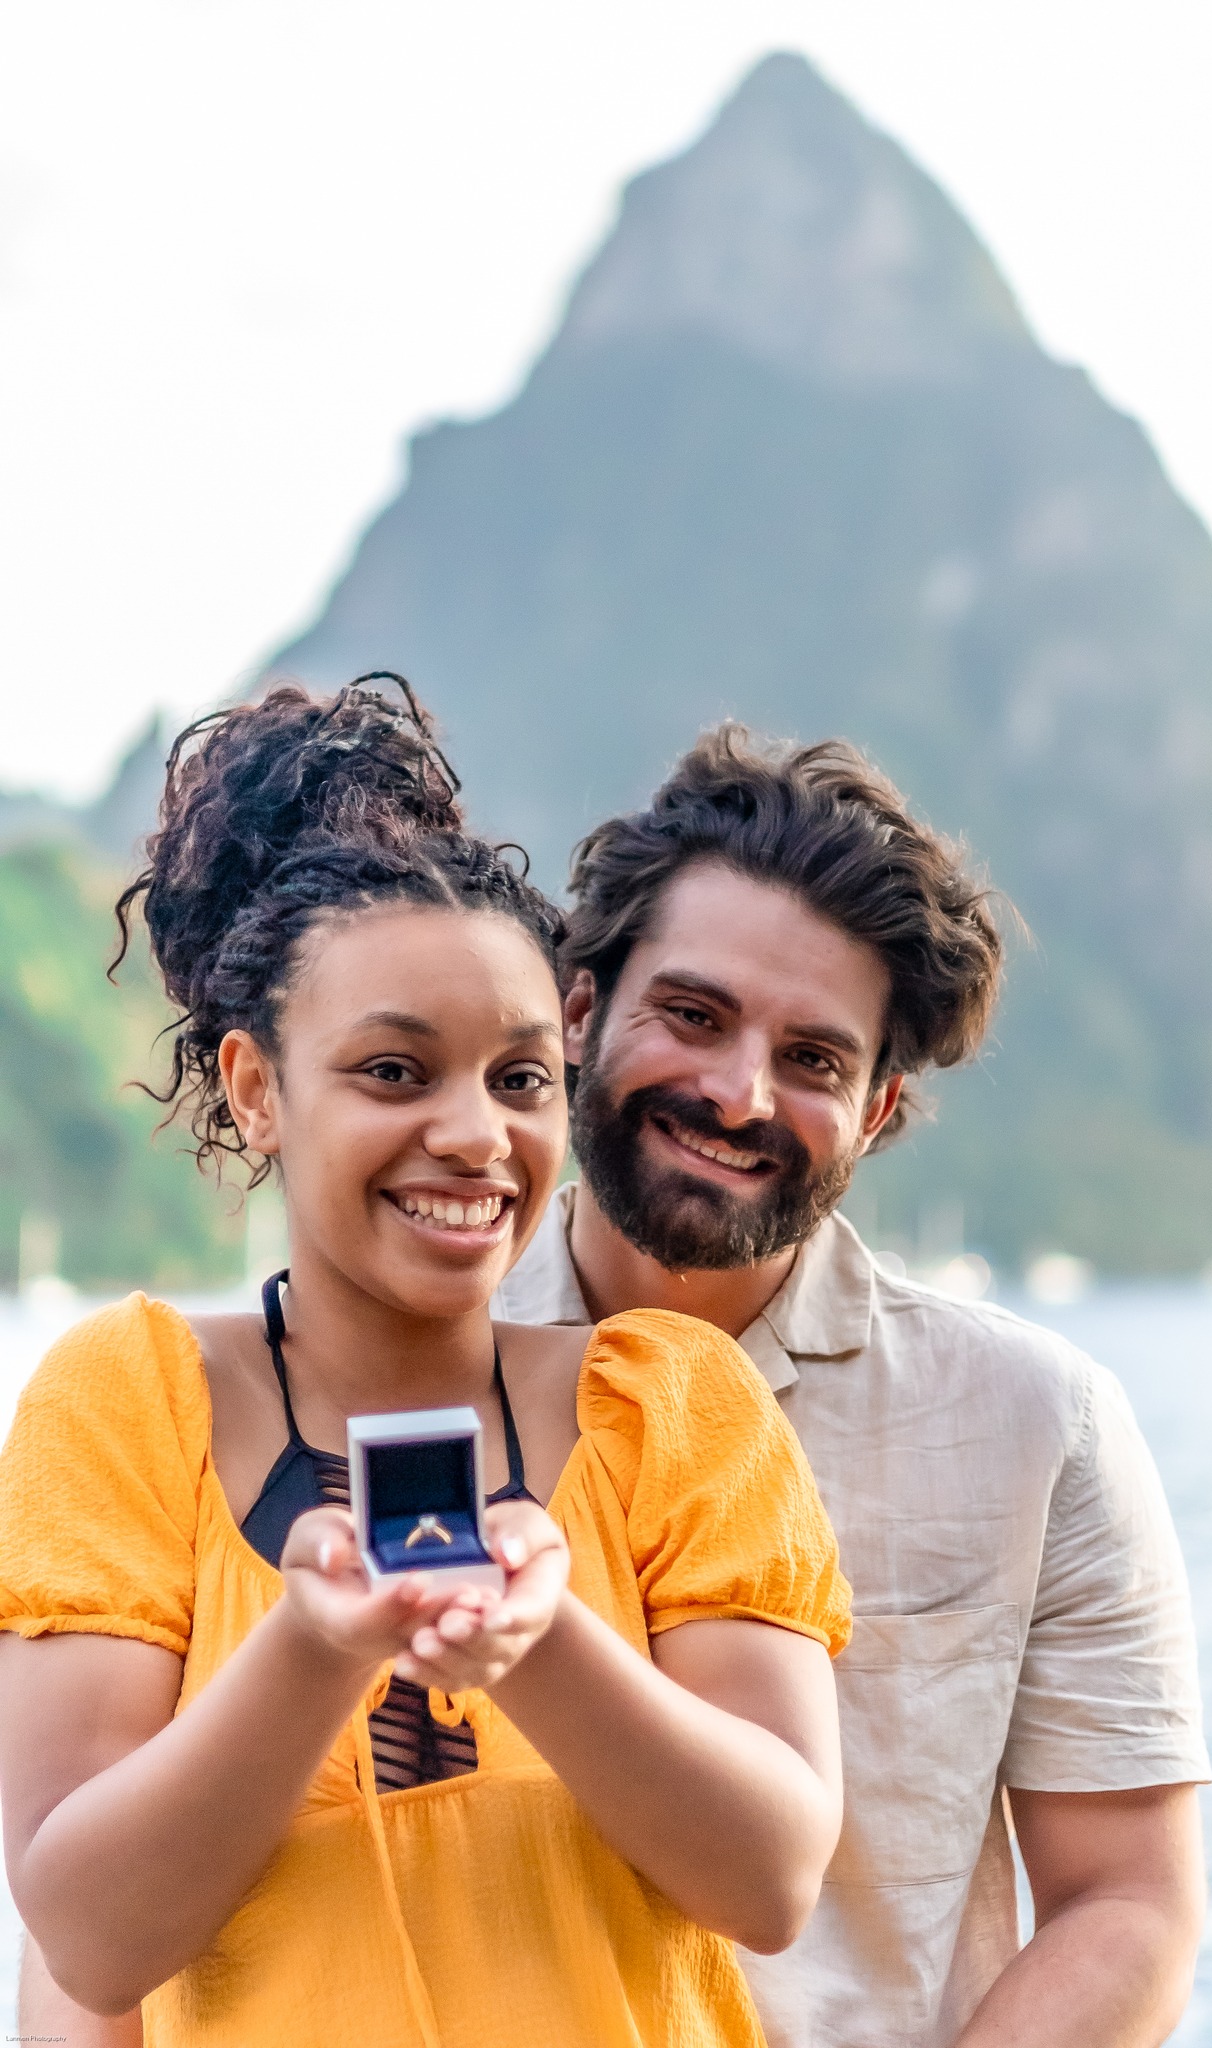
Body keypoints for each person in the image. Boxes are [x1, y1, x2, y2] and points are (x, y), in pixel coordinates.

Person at [0, 682, 849, 2048]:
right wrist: (313, 1648)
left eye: (519, 1080)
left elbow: (769, 1877)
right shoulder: (128, 1405)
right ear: (258, 1086)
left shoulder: (671, 1407)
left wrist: (538, 1643)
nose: (472, 1134)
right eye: (395, 1072)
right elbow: (91, 1937)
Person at [493, 725, 1211, 2048]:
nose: (734, 1091)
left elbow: (1130, 1903)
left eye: (813, 1060)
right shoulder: (384, 1373)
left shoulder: (1034, 1425)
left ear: (876, 1111)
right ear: (580, 1012)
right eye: (693, 1015)